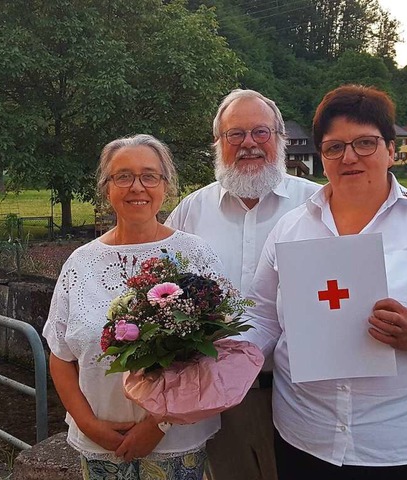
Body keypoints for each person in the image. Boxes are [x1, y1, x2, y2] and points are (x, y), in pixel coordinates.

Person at [241, 84, 407, 480]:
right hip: (306, 440)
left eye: (365, 143)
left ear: (390, 149)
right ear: (323, 156)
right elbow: (263, 318)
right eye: (335, 147)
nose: (349, 157)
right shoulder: (290, 229)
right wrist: (221, 360)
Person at [43, 134, 222, 480]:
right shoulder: (80, 262)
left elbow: (212, 354)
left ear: (165, 186)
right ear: (107, 188)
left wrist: (158, 424)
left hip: (175, 444)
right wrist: (89, 425)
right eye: (122, 176)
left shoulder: (195, 256)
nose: (136, 187)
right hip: (100, 444)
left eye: (149, 176)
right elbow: (60, 355)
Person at [165, 89, 320, 480]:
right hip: (217, 397)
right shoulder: (191, 211)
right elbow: (161, 289)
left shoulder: (318, 205)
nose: (248, 144)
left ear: (280, 139)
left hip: (299, 394)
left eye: (260, 133)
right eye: (235, 135)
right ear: (218, 144)